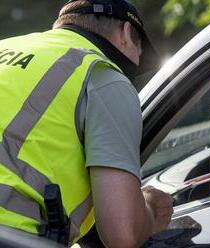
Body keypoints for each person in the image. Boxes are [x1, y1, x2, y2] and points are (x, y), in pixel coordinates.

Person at [0, 0, 173, 247]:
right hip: (11, 235)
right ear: (125, 33)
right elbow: (121, 233)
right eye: (139, 50)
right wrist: (151, 211)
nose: (136, 62)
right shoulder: (102, 74)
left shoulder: (7, 46)